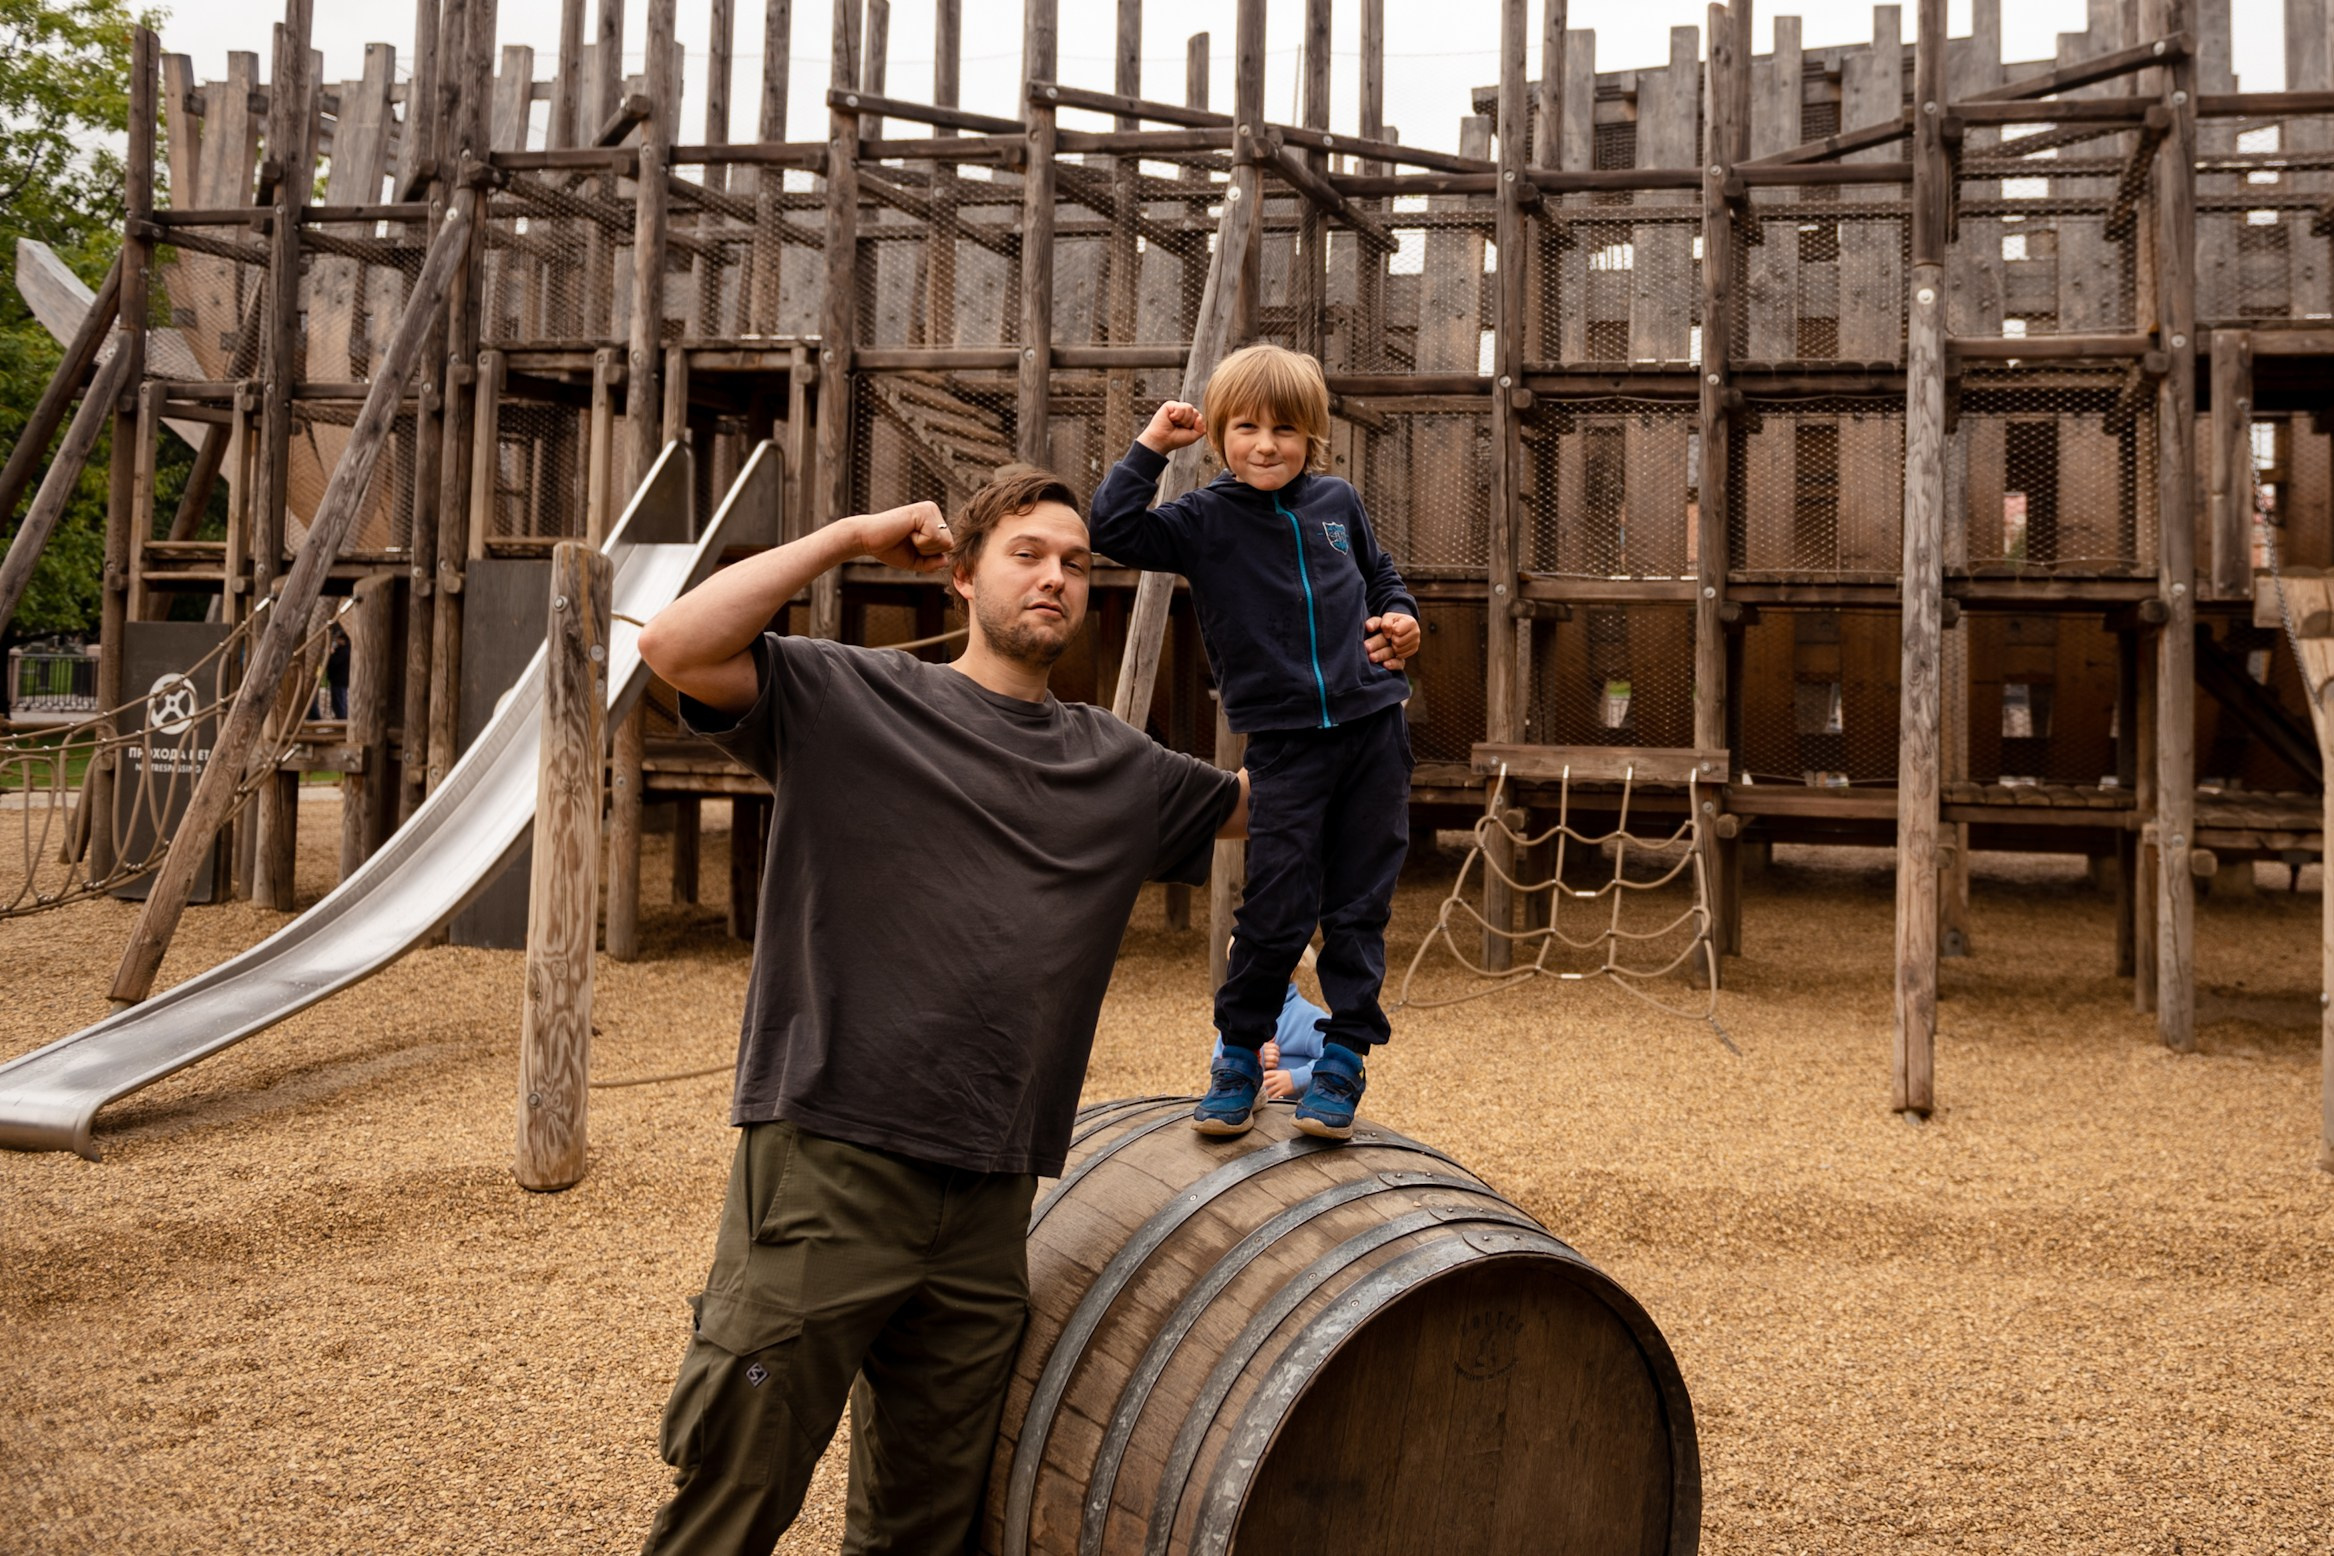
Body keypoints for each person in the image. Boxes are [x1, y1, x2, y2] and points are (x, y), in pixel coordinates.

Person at [632, 468, 1248, 1555]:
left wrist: (1351, 659)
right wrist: (848, 536)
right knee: (734, 1492)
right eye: (1027, 555)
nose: (1055, 576)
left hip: (990, 1198)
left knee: (924, 1525)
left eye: (1075, 562)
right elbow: (674, 646)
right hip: (832, 1160)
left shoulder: (1121, 768)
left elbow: (1285, 808)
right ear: (961, 577)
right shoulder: (847, 698)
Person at [1089, 343, 1420, 1142]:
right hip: (1284, 742)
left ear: (1313, 437)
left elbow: (1379, 575)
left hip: (1374, 727)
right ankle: (1239, 1055)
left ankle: (1343, 1060)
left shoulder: (1338, 502)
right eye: (1245, 427)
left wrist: (1402, 619)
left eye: (1284, 429)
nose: (1265, 444)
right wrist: (1149, 448)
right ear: (1219, 439)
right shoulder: (1204, 519)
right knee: (1276, 905)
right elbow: (1113, 529)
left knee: (1359, 904)